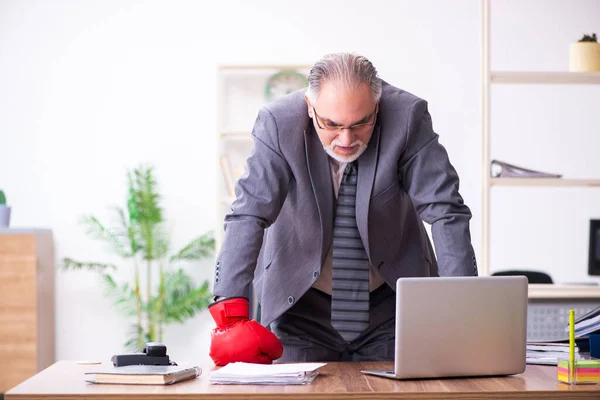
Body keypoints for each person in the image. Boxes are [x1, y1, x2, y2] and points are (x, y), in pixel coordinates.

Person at [208, 52, 477, 365]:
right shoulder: (278, 124)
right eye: (331, 125)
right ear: (310, 107)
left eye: (360, 123)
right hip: (300, 305)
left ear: (377, 107)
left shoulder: (407, 118)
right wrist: (229, 311)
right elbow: (249, 213)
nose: (346, 140)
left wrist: (463, 304)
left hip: (391, 305)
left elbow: (445, 210)